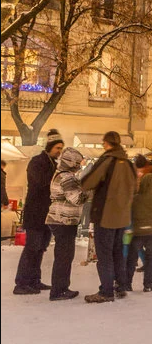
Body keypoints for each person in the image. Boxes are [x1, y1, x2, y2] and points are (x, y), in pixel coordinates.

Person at [80, 131, 137, 303]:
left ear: (106, 143)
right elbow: (135, 188)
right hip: (122, 216)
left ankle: (106, 291)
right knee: (118, 253)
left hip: (105, 215)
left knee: (104, 254)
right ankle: (120, 287)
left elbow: (88, 182)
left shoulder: (107, 161)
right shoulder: (128, 163)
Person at [14, 129, 64, 295]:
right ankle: (21, 283)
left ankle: (34, 280)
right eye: (57, 148)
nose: (59, 151)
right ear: (50, 146)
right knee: (32, 248)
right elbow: (39, 183)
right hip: (35, 213)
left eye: (61, 148)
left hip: (47, 215)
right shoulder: (37, 162)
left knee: (41, 248)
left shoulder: (54, 164)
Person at [46, 147, 87, 301]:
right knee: (64, 256)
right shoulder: (67, 177)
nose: (79, 166)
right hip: (63, 219)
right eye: (78, 162)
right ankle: (58, 290)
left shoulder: (60, 174)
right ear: (72, 162)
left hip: (60, 218)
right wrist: (89, 191)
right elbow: (76, 198)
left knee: (63, 255)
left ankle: (61, 287)